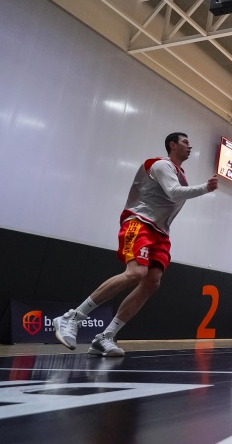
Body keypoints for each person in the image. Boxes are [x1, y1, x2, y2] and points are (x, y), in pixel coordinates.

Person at [54, 132, 219, 356]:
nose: (190, 146)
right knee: (136, 273)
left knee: (152, 282)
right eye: (185, 142)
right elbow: (173, 193)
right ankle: (73, 317)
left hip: (161, 231)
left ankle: (106, 337)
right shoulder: (161, 165)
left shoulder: (181, 175)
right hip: (140, 222)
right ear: (172, 145)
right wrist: (205, 188)